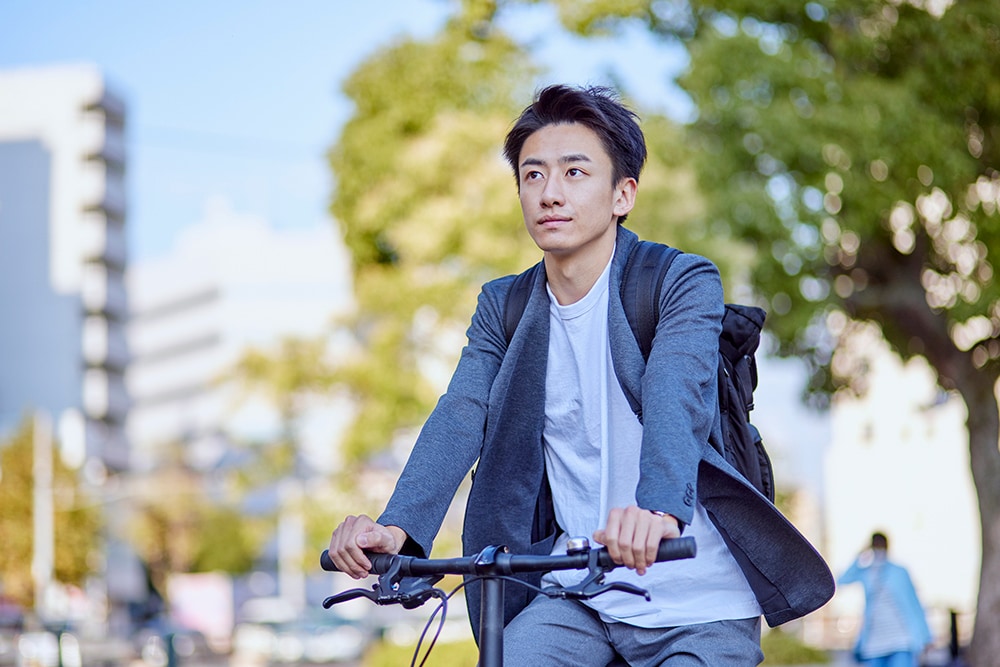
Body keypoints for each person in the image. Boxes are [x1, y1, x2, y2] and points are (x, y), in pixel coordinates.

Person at [328, 84, 834, 665]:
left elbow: (677, 392)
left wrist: (659, 510)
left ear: (623, 194)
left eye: (575, 172)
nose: (550, 193)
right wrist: (398, 529)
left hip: (696, 595)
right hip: (581, 595)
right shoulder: (505, 306)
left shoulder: (678, 281)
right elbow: (463, 410)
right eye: (533, 175)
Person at [839, 532, 932, 667]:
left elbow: (914, 604)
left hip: (901, 640)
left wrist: (926, 636)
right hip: (874, 642)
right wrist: (860, 555)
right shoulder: (866, 572)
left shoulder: (899, 571)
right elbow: (843, 580)